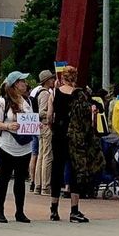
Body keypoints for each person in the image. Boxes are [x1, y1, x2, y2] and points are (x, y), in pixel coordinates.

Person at [47, 65, 93, 223]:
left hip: (58, 134)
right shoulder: (80, 94)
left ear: (63, 77)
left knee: (57, 169)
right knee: (74, 171)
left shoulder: (54, 93)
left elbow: (48, 117)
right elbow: (87, 119)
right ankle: (74, 210)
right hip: (75, 137)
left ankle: (54, 210)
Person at [0, 71, 33, 223]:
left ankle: (19, 212)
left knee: (21, 180)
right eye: (22, 81)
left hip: (24, 147)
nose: (25, 84)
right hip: (7, 146)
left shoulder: (27, 101)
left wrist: (36, 126)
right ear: (15, 84)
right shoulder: (4, 101)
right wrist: (8, 126)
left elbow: (30, 120)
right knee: (4, 178)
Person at [33, 71, 54, 195]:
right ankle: (45, 185)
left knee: (41, 155)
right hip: (46, 125)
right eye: (51, 79)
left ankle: (38, 184)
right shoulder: (46, 94)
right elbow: (42, 112)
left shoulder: (39, 92)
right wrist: (52, 115)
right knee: (47, 156)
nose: (53, 81)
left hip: (40, 127)